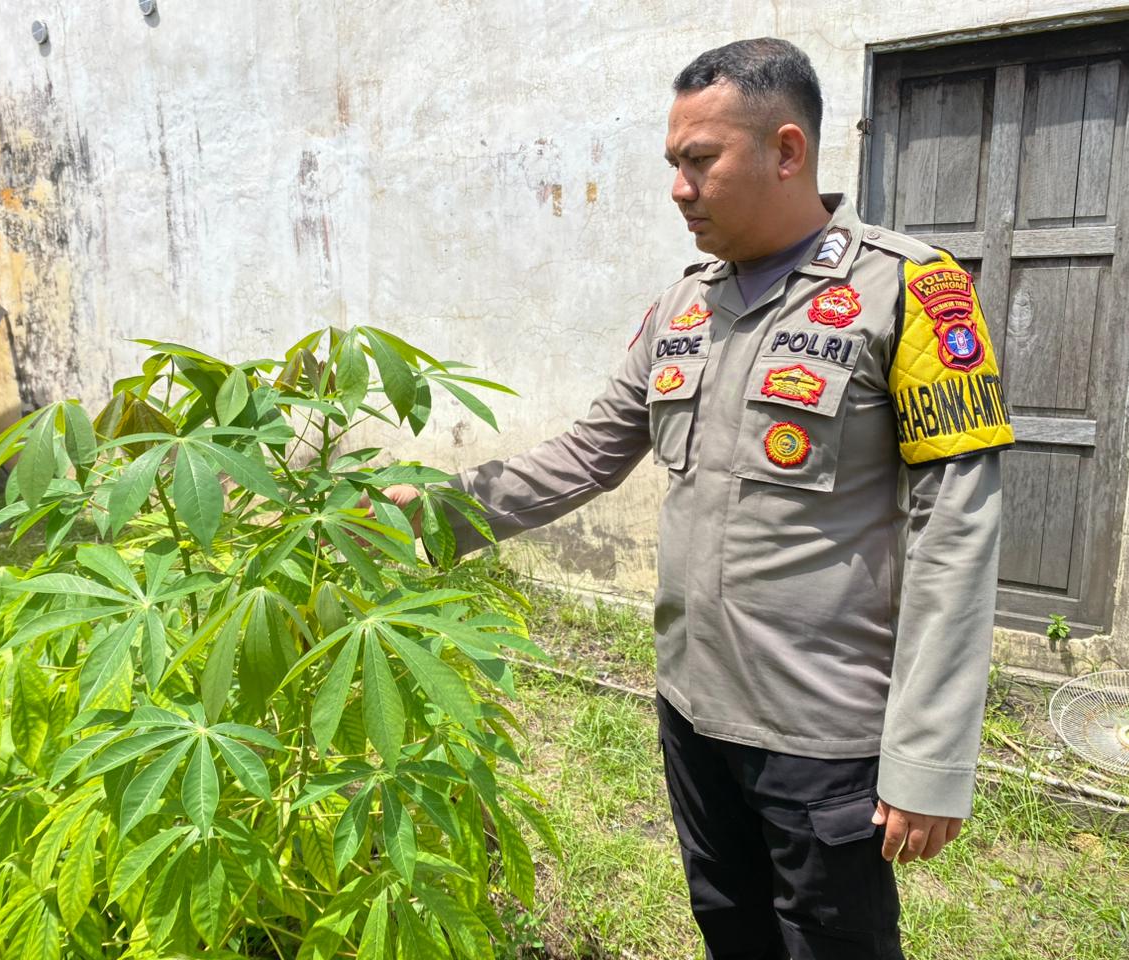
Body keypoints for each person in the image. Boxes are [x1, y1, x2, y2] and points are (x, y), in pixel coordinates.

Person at [386, 37, 1013, 960]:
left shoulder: (912, 294)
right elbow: (590, 452)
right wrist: (428, 510)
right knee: (730, 930)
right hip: (692, 705)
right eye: (673, 163)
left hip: (823, 731)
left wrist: (928, 759)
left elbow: (957, 528)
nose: (678, 187)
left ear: (787, 151)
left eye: (699, 161)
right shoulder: (685, 306)